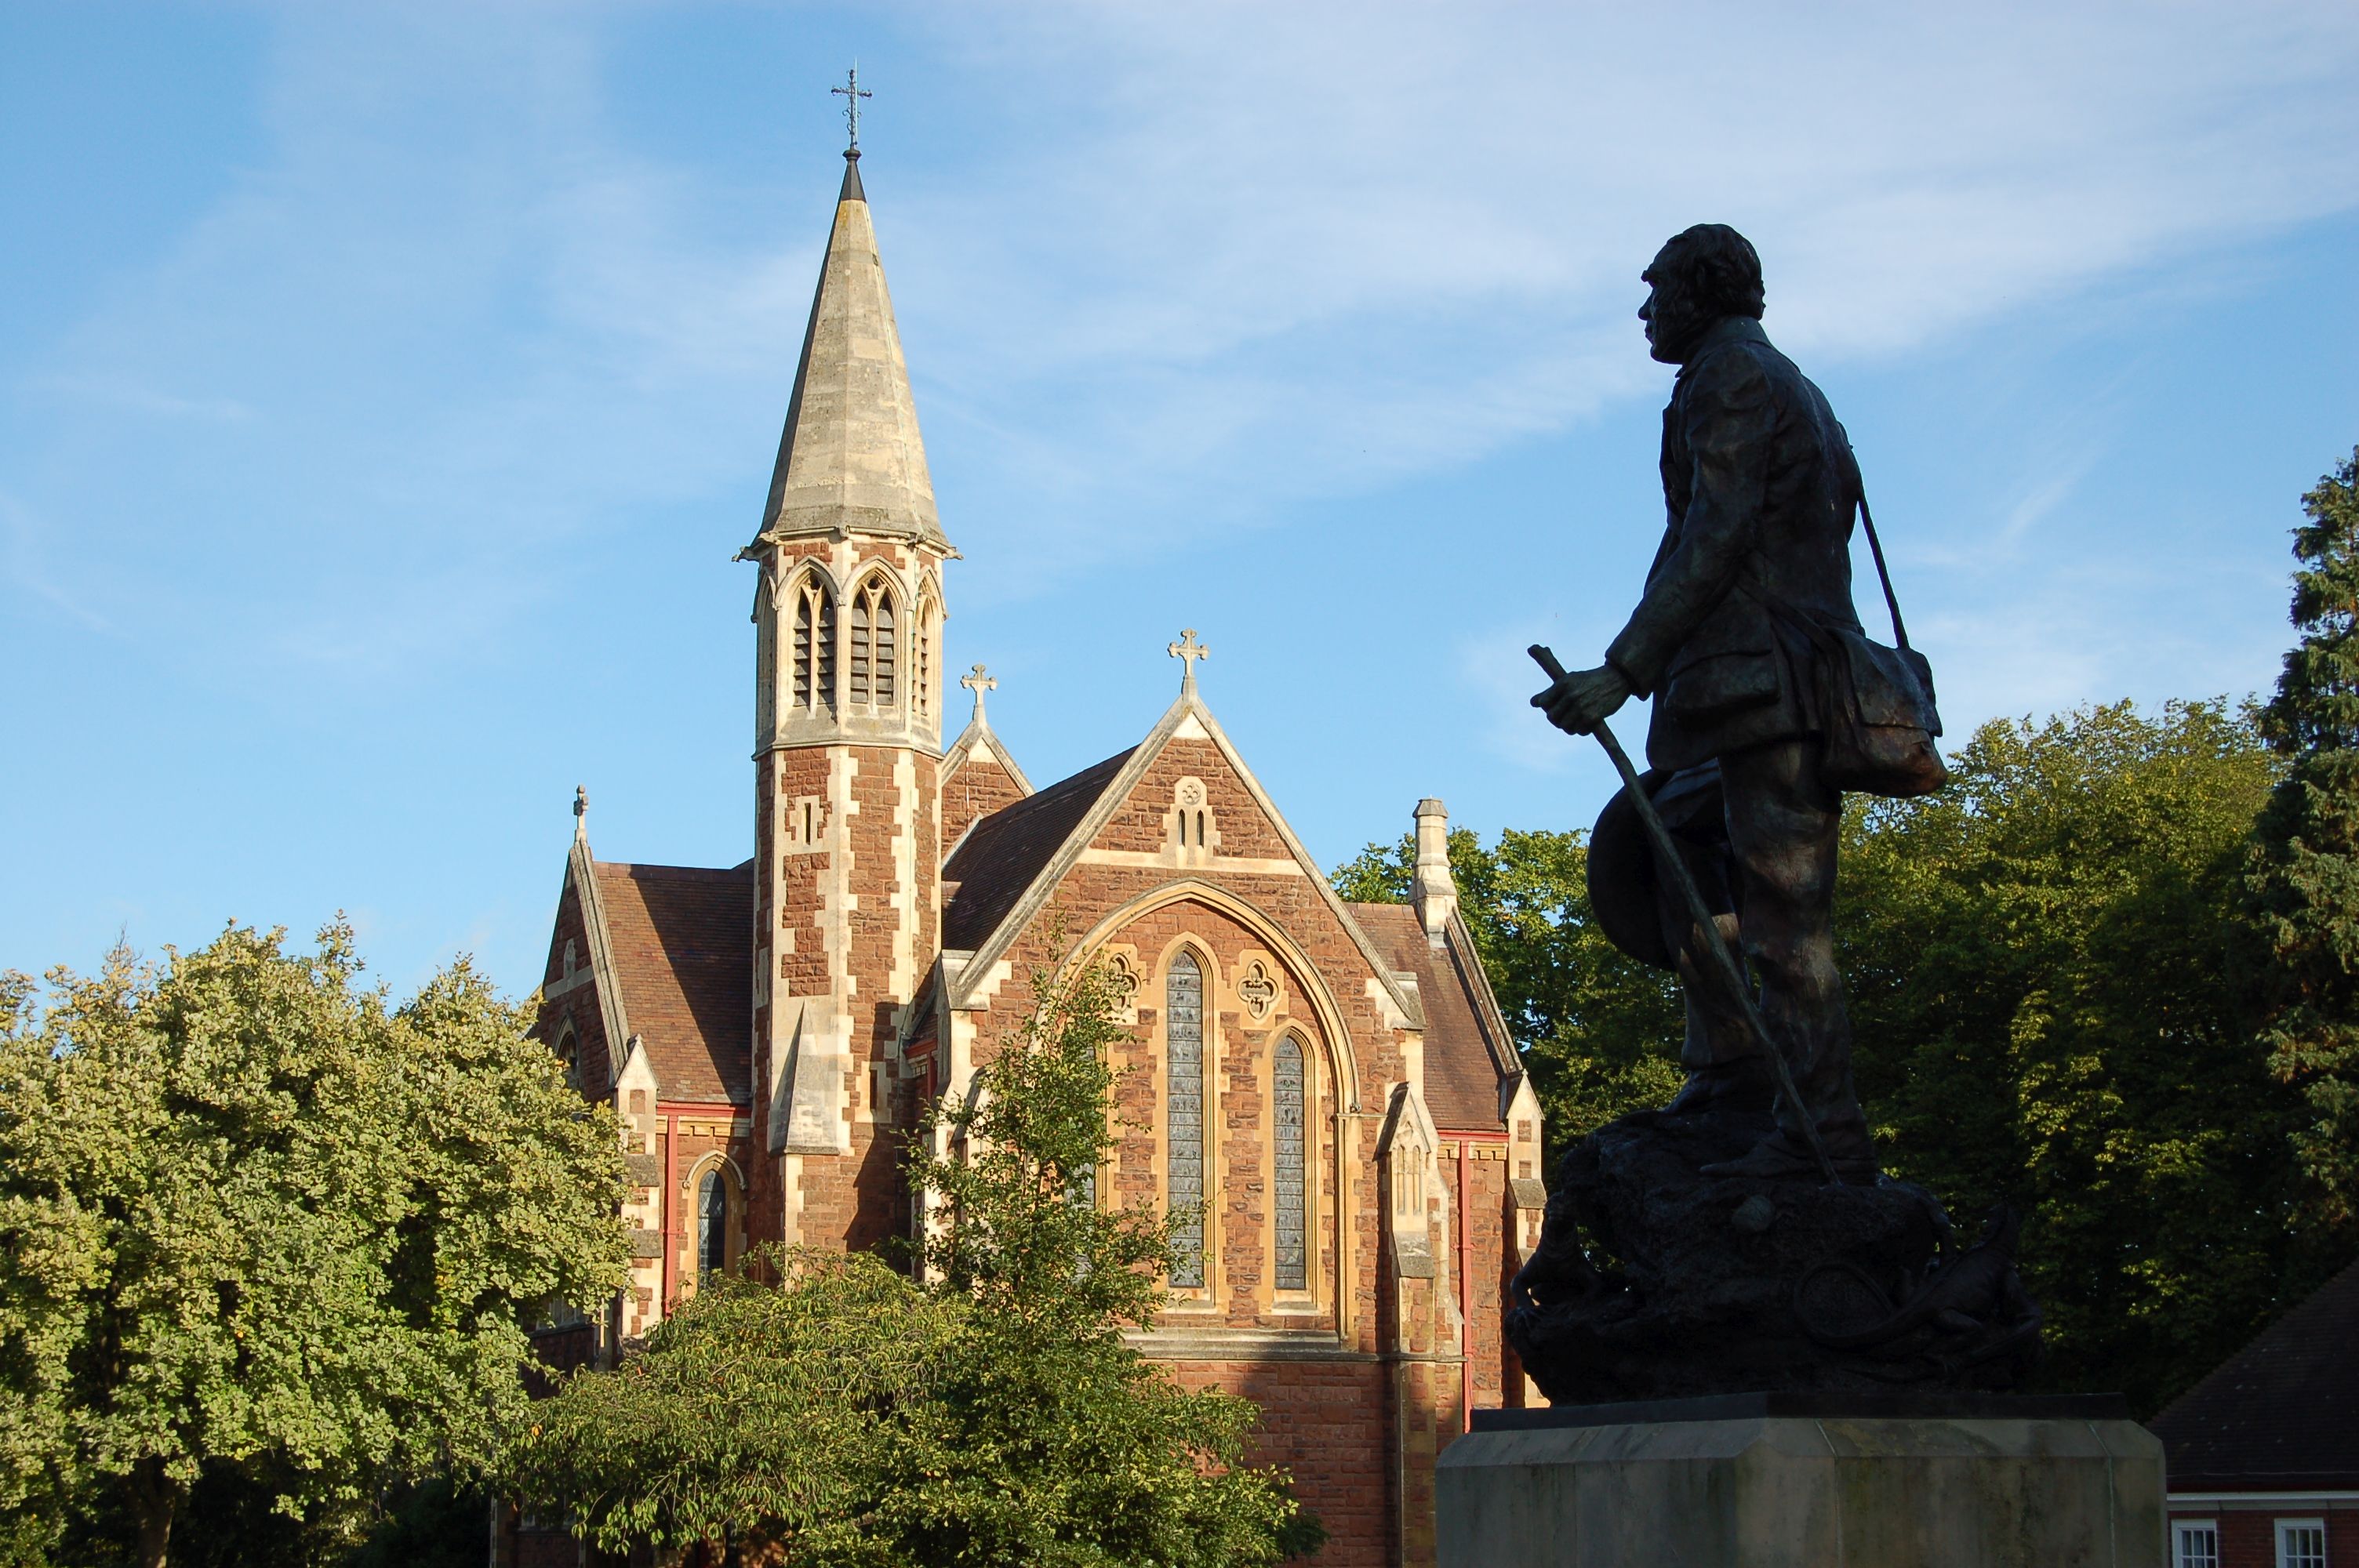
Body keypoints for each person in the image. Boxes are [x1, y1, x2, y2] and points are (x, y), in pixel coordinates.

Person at [1532, 223, 1874, 1181]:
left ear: (1701, 291)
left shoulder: (1731, 380)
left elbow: (1714, 537)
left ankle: (1823, 1135)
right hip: (1738, 684)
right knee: (1680, 855)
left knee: (1781, 911)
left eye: (1654, 292)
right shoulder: (1790, 387)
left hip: (1761, 686)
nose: (1644, 312)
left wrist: (1623, 667)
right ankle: (1733, 1073)